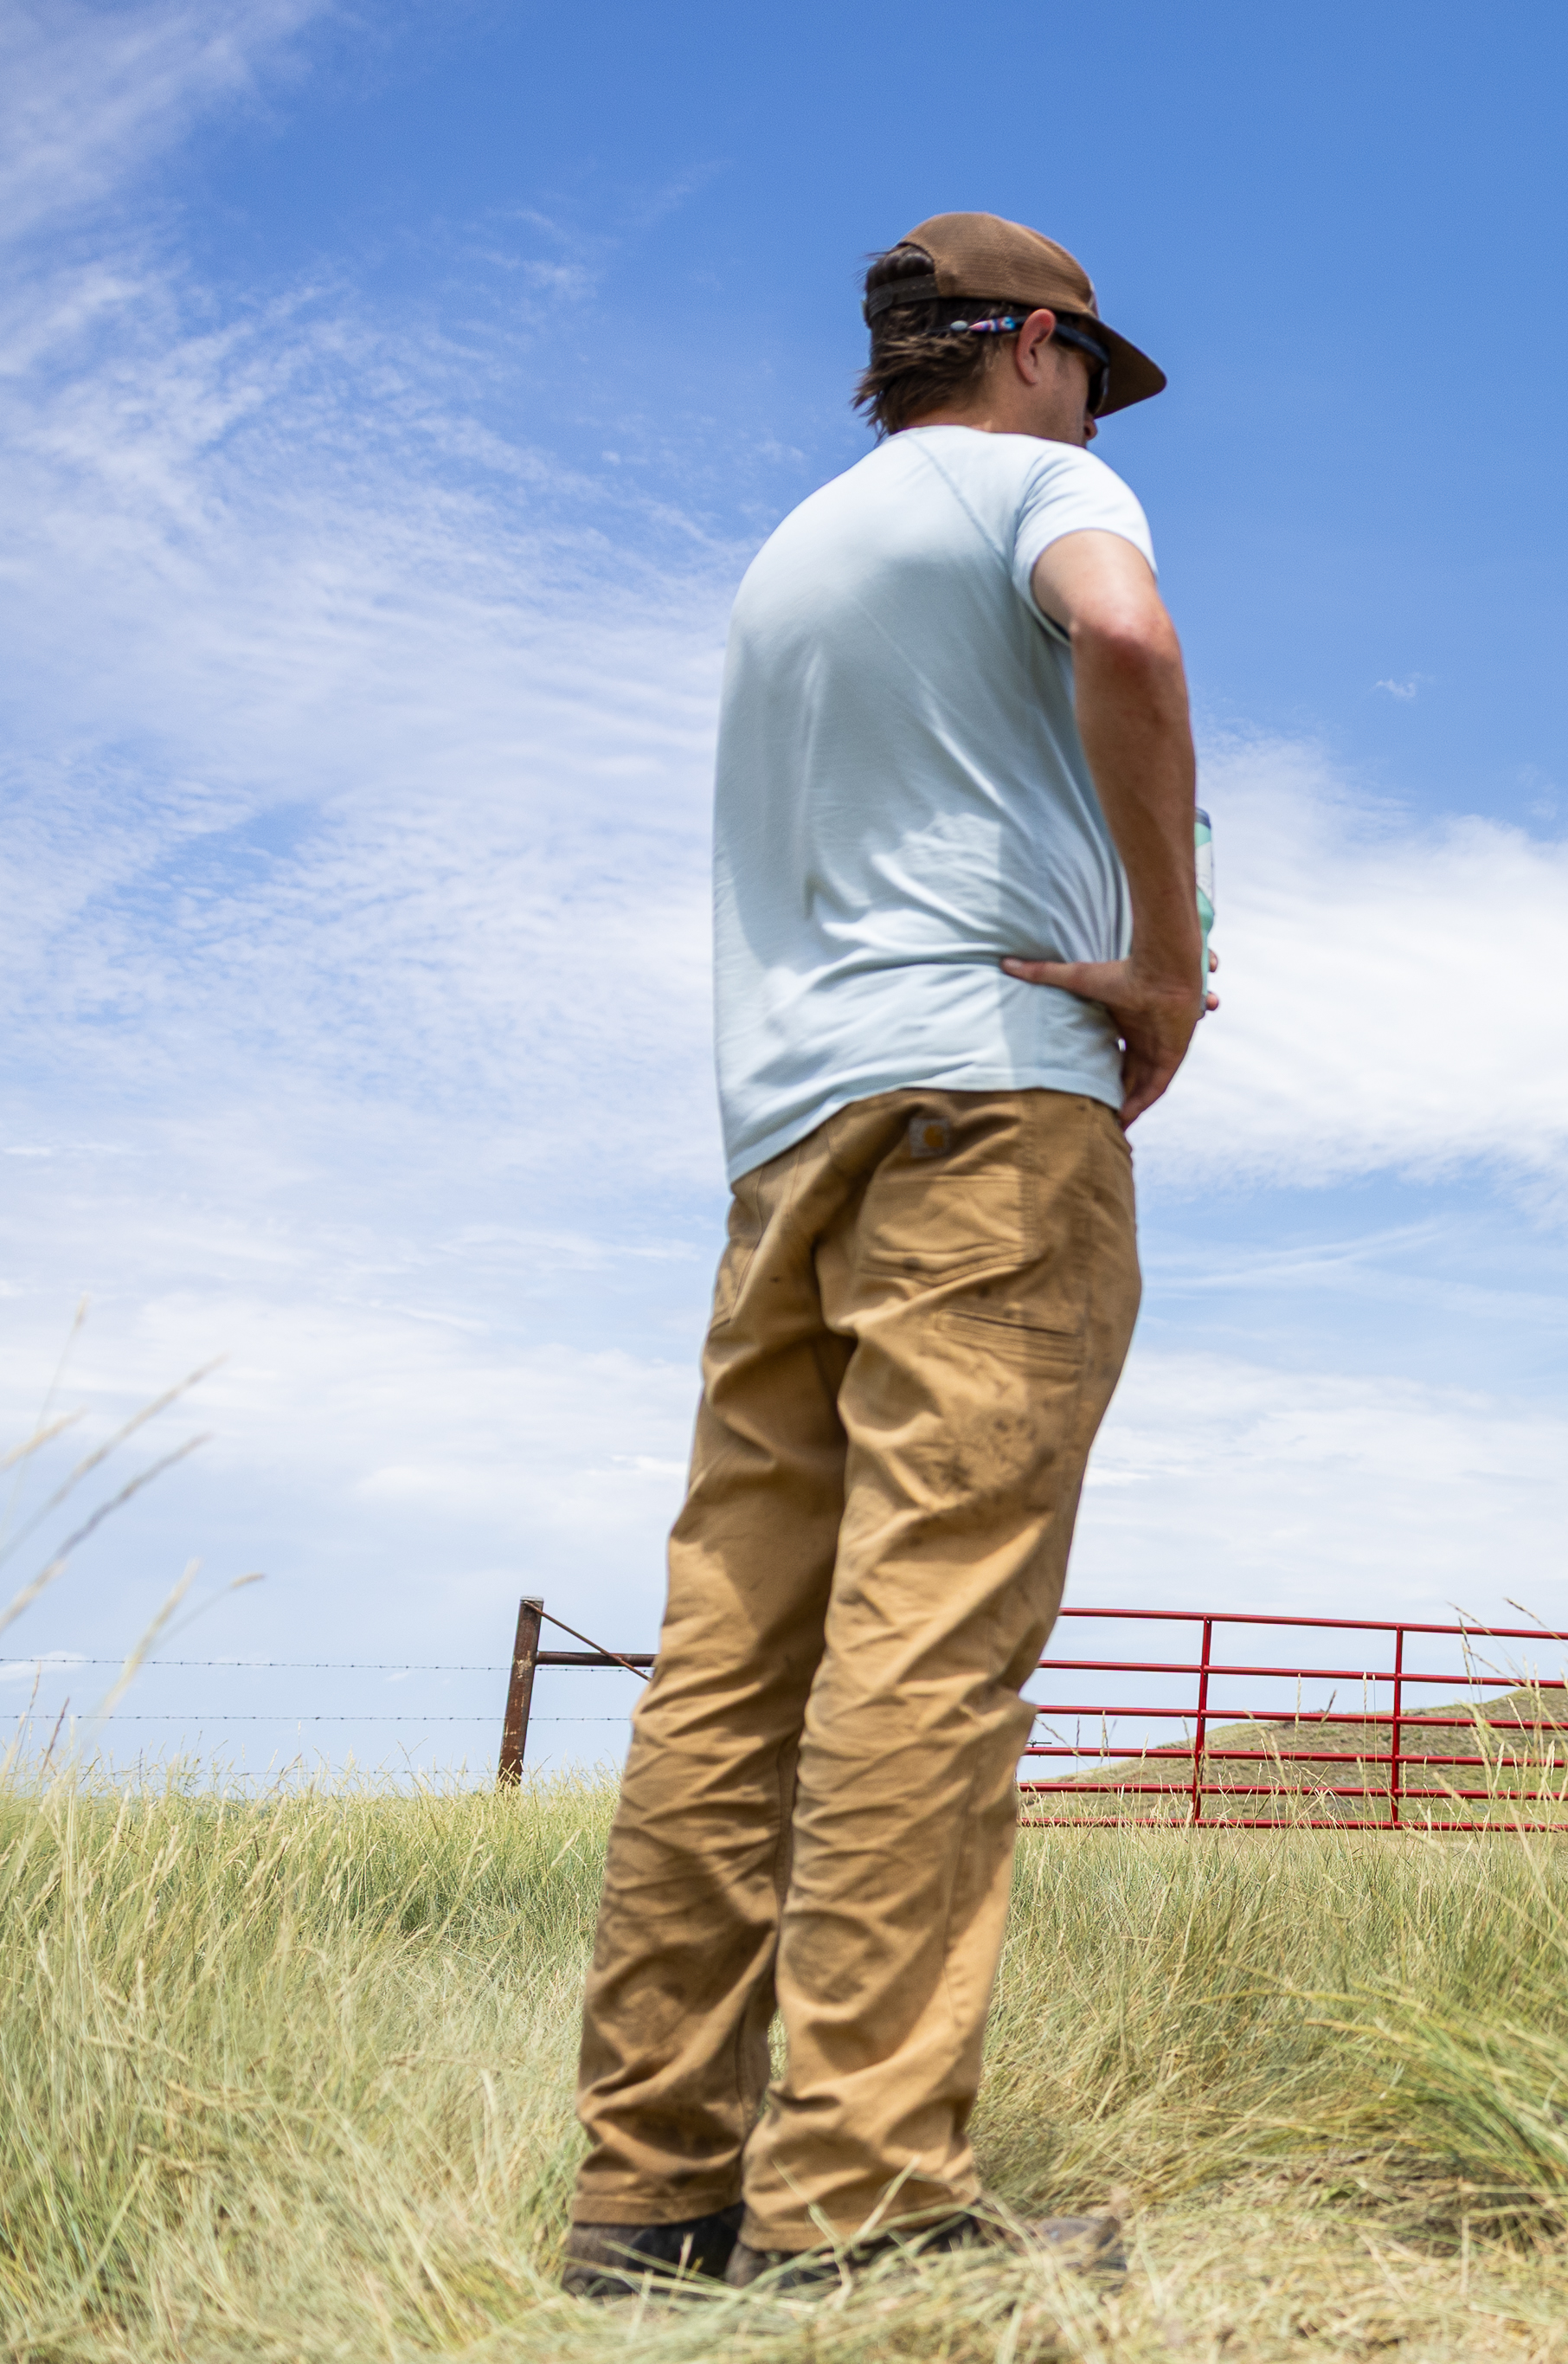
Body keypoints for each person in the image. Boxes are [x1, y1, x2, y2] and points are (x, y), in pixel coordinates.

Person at [561, 213, 1206, 2296]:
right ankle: (858, 2214)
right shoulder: (1040, 482)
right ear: (1031, 344)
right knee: (929, 1639)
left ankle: (647, 2199)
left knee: (735, 1652)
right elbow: (1125, 637)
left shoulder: (788, 562)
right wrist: (1169, 973)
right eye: (1091, 367)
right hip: (987, 1111)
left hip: (791, 1136)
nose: (1097, 406)